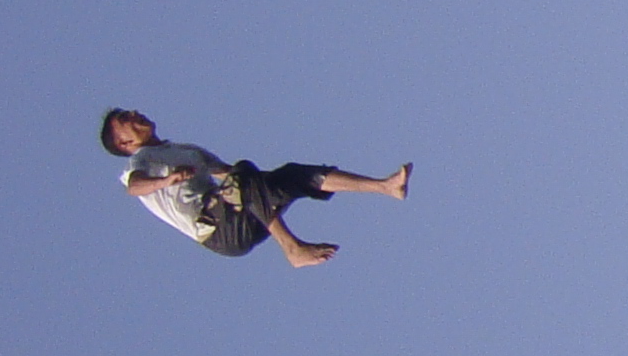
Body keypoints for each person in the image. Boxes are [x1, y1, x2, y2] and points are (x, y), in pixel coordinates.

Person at [99, 107, 408, 268]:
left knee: (289, 175)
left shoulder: (186, 151)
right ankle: (292, 248)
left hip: (237, 217)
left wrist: (274, 186)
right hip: (217, 231)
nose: (135, 114)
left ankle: (385, 186)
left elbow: (228, 174)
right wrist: (166, 181)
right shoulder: (140, 160)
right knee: (245, 173)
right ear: (125, 143)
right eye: (126, 119)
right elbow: (135, 188)